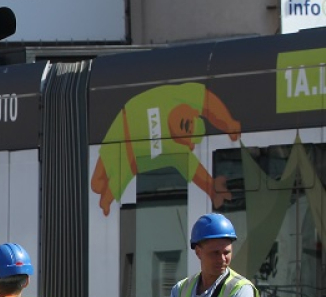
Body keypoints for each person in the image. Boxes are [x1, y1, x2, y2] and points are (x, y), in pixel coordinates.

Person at [90, 83, 242, 217]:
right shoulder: (177, 97)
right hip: (122, 125)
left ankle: (105, 201)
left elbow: (195, 170)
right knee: (96, 184)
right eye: (191, 121)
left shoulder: (177, 152)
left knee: (102, 187)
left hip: (129, 158)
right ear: (192, 110)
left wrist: (212, 188)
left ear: (188, 144)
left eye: (190, 132)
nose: (187, 126)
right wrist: (228, 122)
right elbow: (206, 99)